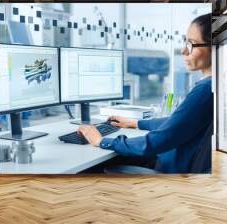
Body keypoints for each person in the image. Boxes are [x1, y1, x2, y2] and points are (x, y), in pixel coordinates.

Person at [77, 13, 213, 173]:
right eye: (185, 43)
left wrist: (101, 141)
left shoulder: (205, 89)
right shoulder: (213, 85)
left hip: (171, 169)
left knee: (94, 169)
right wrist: (135, 123)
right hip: (173, 161)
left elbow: (157, 141)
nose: (184, 50)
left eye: (192, 44)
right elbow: (177, 123)